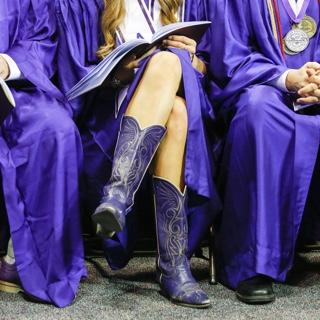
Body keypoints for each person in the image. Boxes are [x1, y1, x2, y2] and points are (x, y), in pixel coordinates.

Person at [61, 0, 221, 308]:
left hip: (188, 120)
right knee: (173, 102)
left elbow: (220, 67)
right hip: (111, 123)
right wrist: (120, 72)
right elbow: (72, 79)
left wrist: (195, 61)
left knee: (172, 84)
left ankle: (118, 195)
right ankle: (172, 265)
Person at [207, 0, 320, 304]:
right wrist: (289, 79)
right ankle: (255, 261)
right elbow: (228, 57)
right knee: (259, 111)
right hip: (264, 88)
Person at [0, 0, 86, 307]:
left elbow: (41, 38)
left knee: (56, 129)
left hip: (14, 92)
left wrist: (7, 64)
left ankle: (32, 259)